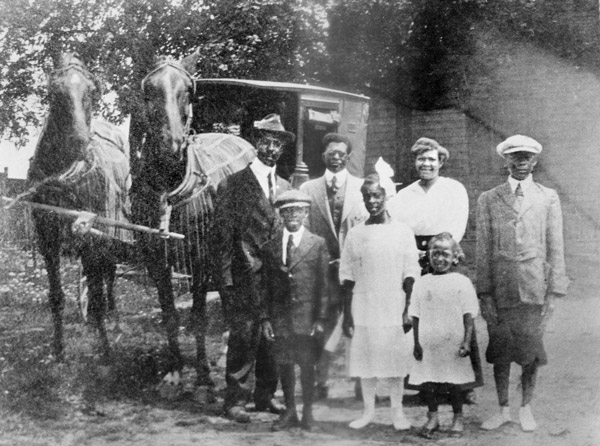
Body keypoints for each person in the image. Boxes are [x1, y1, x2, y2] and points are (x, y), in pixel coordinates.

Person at [476, 135, 568, 432]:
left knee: (530, 352)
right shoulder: (489, 198)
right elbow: (483, 248)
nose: (520, 161)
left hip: (533, 288)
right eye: (515, 156)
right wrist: (484, 293)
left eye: (526, 157)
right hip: (501, 289)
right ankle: (503, 408)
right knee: (501, 352)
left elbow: (556, 246)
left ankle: (526, 408)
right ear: (506, 160)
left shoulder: (547, 196)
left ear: (535, 161)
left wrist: (554, 291)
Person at [387, 137, 482, 399]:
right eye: (421, 159)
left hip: (445, 255)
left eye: (431, 159)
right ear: (415, 162)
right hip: (416, 258)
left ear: (440, 162)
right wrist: (413, 252)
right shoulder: (405, 194)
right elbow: (398, 227)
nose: (426, 164)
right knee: (421, 319)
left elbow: (457, 225)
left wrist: (440, 253)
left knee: (453, 319)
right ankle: (424, 383)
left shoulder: (454, 189)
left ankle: (463, 387)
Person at [213, 113, 294, 423]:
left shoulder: (286, 186)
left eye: (277, 144)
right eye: (266, 141)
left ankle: (265, 396)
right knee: (244, 336)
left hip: (276, 280)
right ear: (255, 144)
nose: (271, 148)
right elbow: (220, 240)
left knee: (273, 339)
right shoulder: (232, 185)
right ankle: (235, 399)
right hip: (244, 276)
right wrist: (226, 283)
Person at [340, 174, 420, 431]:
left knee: (394, 360)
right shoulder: (356, 233)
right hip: (364, 303)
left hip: (393, 303)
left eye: (377, 195)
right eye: (367, 196)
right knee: (367, 361)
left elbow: (410, 273)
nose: (372, 201)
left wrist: (408, 309)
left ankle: (397, 413)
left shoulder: (402, 231)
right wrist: (347, 315)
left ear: (387, 196)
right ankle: (368, 412)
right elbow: (348, 275)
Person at [299, 133, 368, 399]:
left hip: (354, 273)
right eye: (331, 154)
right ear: (323, 156)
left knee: (357, 325)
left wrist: (350, 259)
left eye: (341, 154)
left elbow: (366, 230)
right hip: (323, 272)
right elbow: (305, 232)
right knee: (323, 326)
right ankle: (321, 381)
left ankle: (362, 383)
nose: (336, 158)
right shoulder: (308, 189)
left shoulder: (362, 188)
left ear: (348, 157)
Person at [262, 189, 329, 431]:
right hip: (280, 318)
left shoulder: (317, 244)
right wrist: (265, 319)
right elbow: (265, 286)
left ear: (306, 213)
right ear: (280, 214)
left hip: (306, 319)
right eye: (287, 211)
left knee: (307, 364)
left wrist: (320, 319)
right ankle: (290, 410)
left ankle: (308, 411)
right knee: (285, 363)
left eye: (297, 210)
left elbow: (324, 286)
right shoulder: (270, 247)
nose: (292, 215)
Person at [409, 233, 480, 438]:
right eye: (435, 254)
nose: (440, 259)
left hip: (453, 341)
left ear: (455, 256)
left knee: (453, 382)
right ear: (428, 255)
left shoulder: (462, 282)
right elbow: (415, 315)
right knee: (429, 382)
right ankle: (433, 417)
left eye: (445, 254)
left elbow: (469, 315)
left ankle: (457, 417)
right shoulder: (422, 283)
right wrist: (416, 344)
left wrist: (466, 341)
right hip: (428, 342)